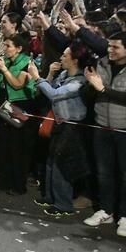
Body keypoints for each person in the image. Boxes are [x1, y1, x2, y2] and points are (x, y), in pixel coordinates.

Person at [27, 42, 92, 217]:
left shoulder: (80, 81)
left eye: (65, 55)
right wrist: (48, 74)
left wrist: (36, 77)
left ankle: (63, 204)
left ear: (75, 60)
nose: (61, 58)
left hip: (71, 127)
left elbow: (55, 94)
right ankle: (50, 196)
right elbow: (48, 89)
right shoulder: (64, 74)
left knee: (61, 165)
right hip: (58, 123)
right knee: (50, 162)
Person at [83, 32, 126, 236]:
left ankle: (124, 216)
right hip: (101, 127)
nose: (110, 50)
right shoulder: (102, 63)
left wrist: (102, 89)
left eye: (116, 47)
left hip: (123, 129)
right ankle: (106, 210)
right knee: (104, 172)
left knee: (124, 175)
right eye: (109, 46)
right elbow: (93, 92)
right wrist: (90, 85)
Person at [0, 33, 36, 195]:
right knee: (2, 146)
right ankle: (1, 182)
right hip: (2, 107)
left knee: (17, 149)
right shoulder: (5, 61)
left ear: (19, 48)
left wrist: (4, 69)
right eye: (5, 45)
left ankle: (17, 185)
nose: (5, 49)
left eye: (8, 46)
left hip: (18, 109)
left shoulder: (26, 63)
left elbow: (17, 85)